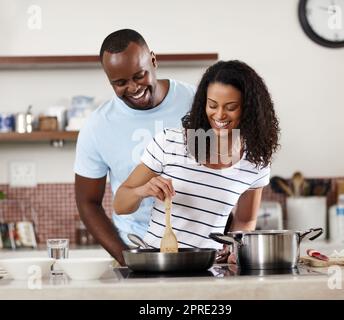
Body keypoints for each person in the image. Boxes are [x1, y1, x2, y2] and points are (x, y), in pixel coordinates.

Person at [113, 60, 280, 253]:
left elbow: (245, 219)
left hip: (211, 269)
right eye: (212, 105)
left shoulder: (255, 161)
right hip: (159, 265)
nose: (219, 115)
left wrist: (234, 249)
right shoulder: (171, 142)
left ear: (250, 109)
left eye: (231, 107)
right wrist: (142, 190)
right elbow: (120, 204)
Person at [74, 29, 195, 265]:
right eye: (119, 83)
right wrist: (126, 258)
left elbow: (226, 173)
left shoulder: (197, 103)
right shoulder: (97, 126)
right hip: (137, 245)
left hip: (199, 248)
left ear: (153, 60)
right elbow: (87, 202)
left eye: (139, 76)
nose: (132, 88)